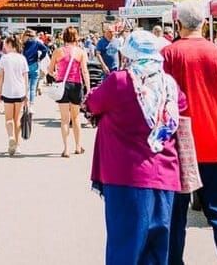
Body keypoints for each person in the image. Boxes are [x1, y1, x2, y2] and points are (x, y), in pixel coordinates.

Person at [87, 30, 185, 265]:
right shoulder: (169, 84)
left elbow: (93, 103)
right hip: (165, 175)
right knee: (156, 250)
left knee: (125, 248)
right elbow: (181, 105)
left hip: (127, 177)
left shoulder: (120, 81)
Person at [162, 0, 217, 265]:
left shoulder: (169, 54)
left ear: (178, 25)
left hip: (179, 147)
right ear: (205, 24)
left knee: (175, 215)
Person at [49, 26, 92, 158]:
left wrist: (56, 75)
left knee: (64, 120)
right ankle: (78, 146)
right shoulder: (80, 52)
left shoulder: (58, 51)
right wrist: (88, 89)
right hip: (76, 85)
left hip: (62, 86)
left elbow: (50, 70)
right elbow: (84, 71)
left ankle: (66, 148)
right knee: (76, 118)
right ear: (76, 37)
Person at [0, 35, 29, 155]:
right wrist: (26, 94)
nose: (4, 46)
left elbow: (0, 76)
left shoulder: (4, 58)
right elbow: (26, 77)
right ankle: (18, 145)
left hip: (8, 91)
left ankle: (11, 137)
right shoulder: (22, 58)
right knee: (17, 119)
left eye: (5, 44)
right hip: (20, 91)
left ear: (10, 44)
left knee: (8, 119)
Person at [22, 29, 49, 105]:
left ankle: (25, 104)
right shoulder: (36, 43)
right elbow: (45, 49)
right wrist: (40, 58)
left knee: (25, 87)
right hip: (34, 64)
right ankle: (31, 105)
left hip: (24, 66)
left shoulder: (23, 43)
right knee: (32, 88)